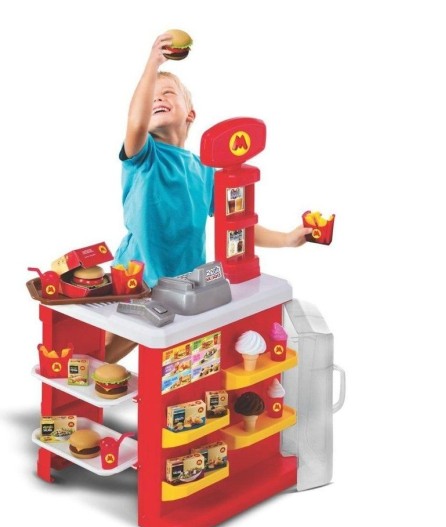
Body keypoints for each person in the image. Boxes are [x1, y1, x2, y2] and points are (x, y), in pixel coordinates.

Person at [106, 32, 311, 363]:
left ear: (190, 113)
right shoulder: (144, 155)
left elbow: (236, 226)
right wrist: (153, 64)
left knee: (171, 356)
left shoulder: (205, 171)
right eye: (152, 95)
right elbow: (136, 120)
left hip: (184, 286)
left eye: (168, 92)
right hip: (136, 279)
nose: (158, 98)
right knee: (105, 350)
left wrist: (286, 239)